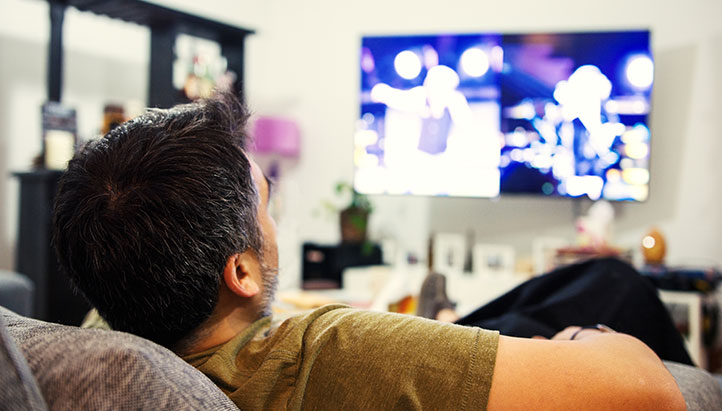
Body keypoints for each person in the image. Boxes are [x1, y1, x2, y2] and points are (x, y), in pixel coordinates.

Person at [52, 92, 685, 411]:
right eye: (266, 207)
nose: (271, 224)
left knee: (549, 296)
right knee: (616, 287)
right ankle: (451, 322)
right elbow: (650, 391)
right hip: (417, 369)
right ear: (240, 271)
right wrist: (584, 342)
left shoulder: (107, 324)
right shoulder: (335, 351)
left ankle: (443, 319)